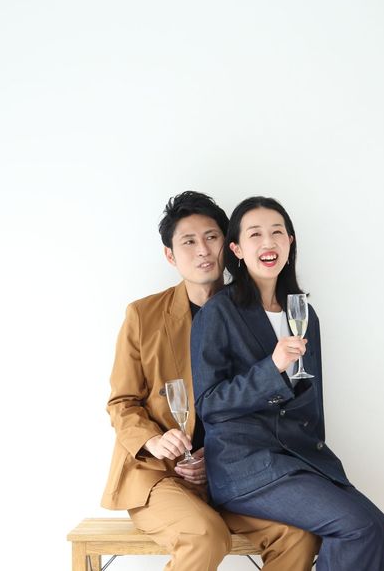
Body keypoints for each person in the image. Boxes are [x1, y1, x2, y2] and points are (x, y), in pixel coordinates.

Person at [100, 191, 319, 571]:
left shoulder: (255, 313)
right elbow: (122, 402)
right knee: (205, 536)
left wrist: (219, 456)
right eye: (188, 241)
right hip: (159, 476)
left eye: (212, 237)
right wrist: (155, 442)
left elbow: (264, 399)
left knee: (298, 536)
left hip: (230, 473)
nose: (203, 250)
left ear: (229, 244)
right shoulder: (143, 315)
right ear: (170, 255)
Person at [191, 196, 384, 571]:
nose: (268, 242)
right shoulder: (218, 312)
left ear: (290, 242)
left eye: (277, 232)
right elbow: (209, 403)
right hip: (246, 466)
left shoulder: (303, 313)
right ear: (236, 249)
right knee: (357, 529)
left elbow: (312, 403)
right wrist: (271, 368)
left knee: (383, 533)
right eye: (255, 234)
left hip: (298, 460)